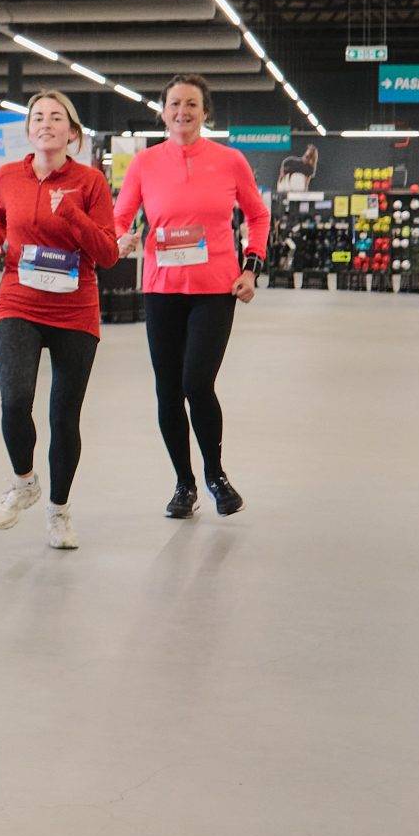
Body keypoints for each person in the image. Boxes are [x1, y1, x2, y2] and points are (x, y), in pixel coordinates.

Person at [113, 73, 269, 519]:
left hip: (215, 290)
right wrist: (121, 237)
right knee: (167, 390)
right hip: (162, 290)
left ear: (205, 112)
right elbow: (120, 215)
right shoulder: (145, 164)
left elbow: (257, 216)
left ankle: (216, 475)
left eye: (192, 105)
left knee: (197, 383)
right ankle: (183, 483)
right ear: (163, 112)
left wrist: (251, 268)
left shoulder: (230, 160)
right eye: (175, 104)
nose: (182, 112)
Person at [0, 91, 120, 548]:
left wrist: (73, 213)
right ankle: (24, 482)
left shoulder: (91, 182)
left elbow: (108, 253)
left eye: (56, 118)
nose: (46, 124)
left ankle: (58, 510)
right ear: (29, 130)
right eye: (38, 117)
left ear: (72, 133)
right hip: (19, 299)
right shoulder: (7, 176)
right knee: (15, 401)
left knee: (64, 415)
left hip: (75, 307)